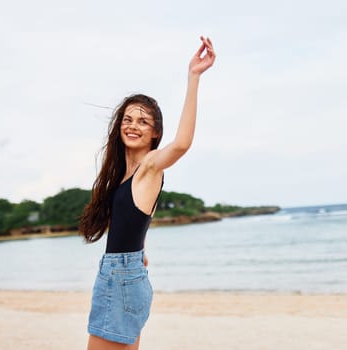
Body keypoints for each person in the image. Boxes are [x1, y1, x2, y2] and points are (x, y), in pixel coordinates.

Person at [79, 36, 215, 350]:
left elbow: (182, 143)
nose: (133, 125)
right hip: (124, 275)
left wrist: (193, 77)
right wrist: (139, 252)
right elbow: (135, 220)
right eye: (127, 119)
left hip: (121, 279)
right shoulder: (123, 176)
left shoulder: (149, 167)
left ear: (155, 132)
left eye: (143, 121)